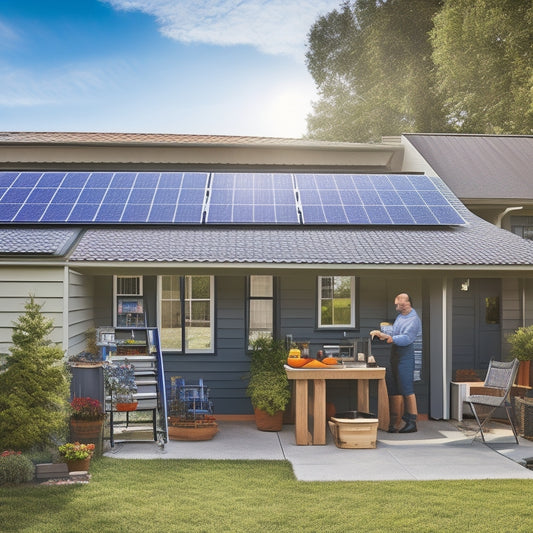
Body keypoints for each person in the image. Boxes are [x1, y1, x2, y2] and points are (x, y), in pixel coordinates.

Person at [370, 293, 421, 433]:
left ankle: (412, 422)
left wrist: (389, 337)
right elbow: (394, 331)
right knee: (395, 388)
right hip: (395, 355)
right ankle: (395, 422)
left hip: (405, 356)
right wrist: (381, 333)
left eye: (398, 302)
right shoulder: (400, 317)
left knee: (407, 389)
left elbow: (407, 338)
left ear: (406, 303)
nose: (396, 304)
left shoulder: (414, 319)